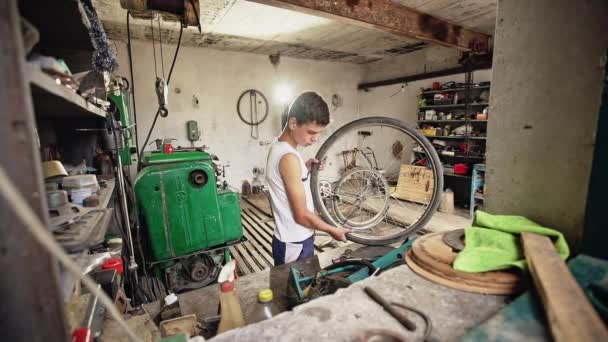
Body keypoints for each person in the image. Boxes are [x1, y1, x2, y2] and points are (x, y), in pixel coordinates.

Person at [265, 92, 351, 266]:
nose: (315, 139)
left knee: (302, 289)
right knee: (297, 291)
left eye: (319, 133)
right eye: (311, 132)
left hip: (294, 239)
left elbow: (285, 178)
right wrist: (332, 230)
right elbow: (302, 215)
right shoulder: (289, 158)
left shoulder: (279, 146)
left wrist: (305, 168)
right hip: (294, 243)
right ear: (293, 123)